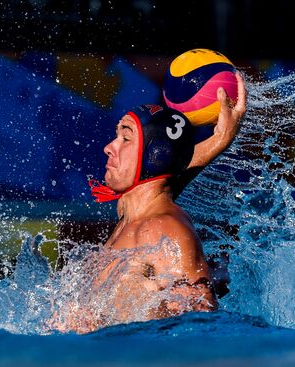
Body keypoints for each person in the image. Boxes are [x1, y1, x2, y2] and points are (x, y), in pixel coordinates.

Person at [53, 72, 246, 334]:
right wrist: (219, 140)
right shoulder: (131, 214)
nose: (109, 147)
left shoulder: (165, 230)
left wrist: (96, 331)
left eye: (126, 138)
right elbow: (167, 177)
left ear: (154, 155)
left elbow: (202, 323)